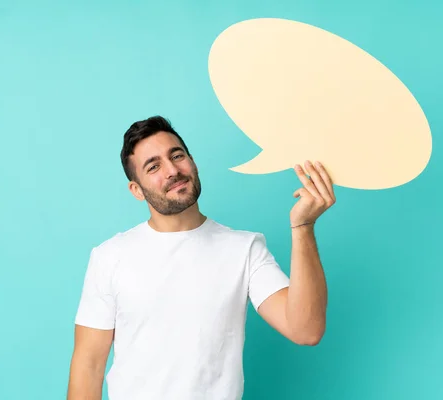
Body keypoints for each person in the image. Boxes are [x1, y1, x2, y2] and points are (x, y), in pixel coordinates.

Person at [66, 116, 335, 400]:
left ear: (193, 162)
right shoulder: (109, 257)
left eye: (177, 156)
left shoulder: (244, 249)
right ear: (137, 190)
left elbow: (306, 330)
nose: (172, 170)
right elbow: (88, 367)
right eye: (153, 166)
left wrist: (303, 227)